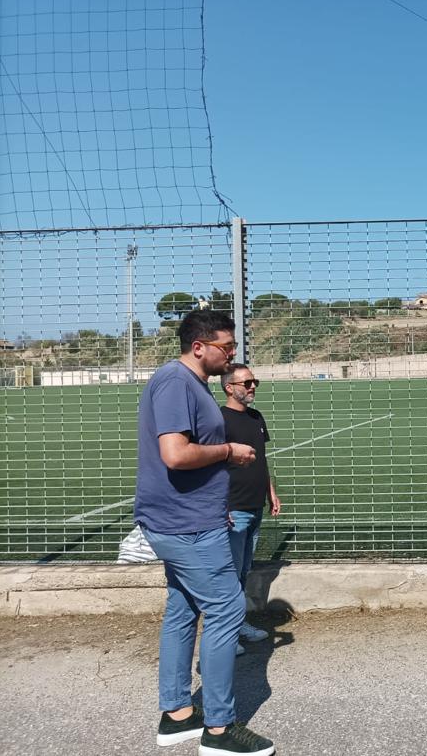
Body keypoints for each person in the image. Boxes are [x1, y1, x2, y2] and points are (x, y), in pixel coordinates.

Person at [134, 309, 275, 755]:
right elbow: (175, 455)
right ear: (200, 347)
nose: (231, 354)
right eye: (226, 348)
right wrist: (229, 451)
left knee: (182, 609)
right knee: (226, 610)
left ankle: (177, 714)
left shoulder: (187, 383)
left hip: (188, 519)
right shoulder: (177, 382)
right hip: (187, 524)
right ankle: (219, 729)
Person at [220, 363, 282, 653]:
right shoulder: (219, 420)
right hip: (233, 509)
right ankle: (224, 635)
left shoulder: (256, 417)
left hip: (255, 505)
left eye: (254, 381)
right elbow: (211, 468)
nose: (253, 386)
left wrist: (271, 492)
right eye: (246, 383)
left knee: (243, 570)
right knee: (228, 573)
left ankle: (238, 624)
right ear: (229, 387)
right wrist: (221, 506)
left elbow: (261, 459)